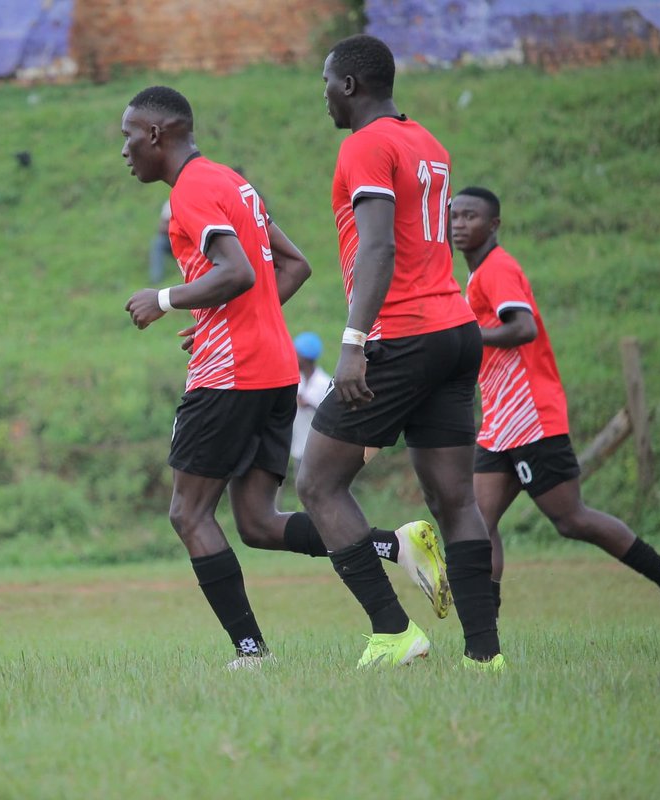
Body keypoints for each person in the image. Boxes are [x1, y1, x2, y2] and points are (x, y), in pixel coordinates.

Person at [120, 86, 451, 670]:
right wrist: (222, 316)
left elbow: (237, 271)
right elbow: (293, 264)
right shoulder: (230, 182)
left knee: (188, 514)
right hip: (273, 371)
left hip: (229, 376)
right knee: (257, 522)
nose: (123, 150)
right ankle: (392, 546)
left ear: (155, 134)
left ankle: (252, 654)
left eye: (127, 136)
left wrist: (166, 299)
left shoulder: (191, 191)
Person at [297, 35, 504, 670]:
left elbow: (379, 248)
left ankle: (393, 630)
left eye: (328, 83)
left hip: (401, 335)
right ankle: (484, 657)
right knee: (455, 500)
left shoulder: (364, 144)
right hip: (454, 330)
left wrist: (353, 344)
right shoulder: (428, 143)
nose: (324, 95)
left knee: (318, 482)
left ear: (351, 86)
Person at [451, 185, 660, 630]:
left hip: (531, 416)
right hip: (501, 421)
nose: (459, 224)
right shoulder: (477, 275)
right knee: (476, 520)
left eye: (470, 216)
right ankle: (484, 641)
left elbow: (522, 328)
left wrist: (465, 335)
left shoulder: (497, 268)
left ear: (494, 225)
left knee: (571, 519)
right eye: (455, 216)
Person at [290, 331, 332, 473]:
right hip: (299, 446)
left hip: (318, 450)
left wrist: (309, 405)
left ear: (304, 358)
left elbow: (330, 417)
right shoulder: (296, 380)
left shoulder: (324, 383)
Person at [148, 198, 173, 283]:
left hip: (187, 239)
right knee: (157, 243)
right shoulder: (170, 203)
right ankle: (156, 278)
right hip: (171, 238)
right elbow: (162, 227)